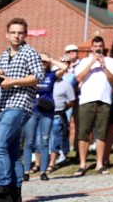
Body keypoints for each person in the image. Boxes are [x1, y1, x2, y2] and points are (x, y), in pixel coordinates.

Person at [0, 18, 44, 202]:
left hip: (20, 105)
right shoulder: (3, 55)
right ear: (7, 34)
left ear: (25, 34)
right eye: (13, 32)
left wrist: (14, 81)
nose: (16, 36)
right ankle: (15, 193)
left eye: (20, 32)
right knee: (11, 151)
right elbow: (2, 77)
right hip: (4, 106)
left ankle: (3, 188)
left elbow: (39, 75)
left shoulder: (30, 53)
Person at [73, 35, 113, 176]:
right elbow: (79, 78)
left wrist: (104, 67)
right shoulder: (84, 61)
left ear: (103, 47)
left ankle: (100, 164)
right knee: (84, 133)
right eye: (95, 47)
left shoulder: (110, 61)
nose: (98, 49)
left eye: (100, 47)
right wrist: (91, 63)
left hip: (104, 101)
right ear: (91, 48)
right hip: (86, 100)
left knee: (101, 133)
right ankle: (82, 164)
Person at [22, 53, 66, 182]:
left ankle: (43, 171)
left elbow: (64, 68)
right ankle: (26, 171)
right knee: (29, 141)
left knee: (45, 141)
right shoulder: (31, 75)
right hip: (32, 110)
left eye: (44, 61)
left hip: (47, 111)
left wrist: (51, 59)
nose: (42, 63)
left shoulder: (51, 75)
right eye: (40, 61)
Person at [47, 71, 75, 172]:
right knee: (41, 138)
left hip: (57, 114)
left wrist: (62, 109)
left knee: (56, 138)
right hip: (43, 114)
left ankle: (52, 162)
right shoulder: (46, 82)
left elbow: (71, 100)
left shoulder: (66, 85)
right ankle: (40, 163)